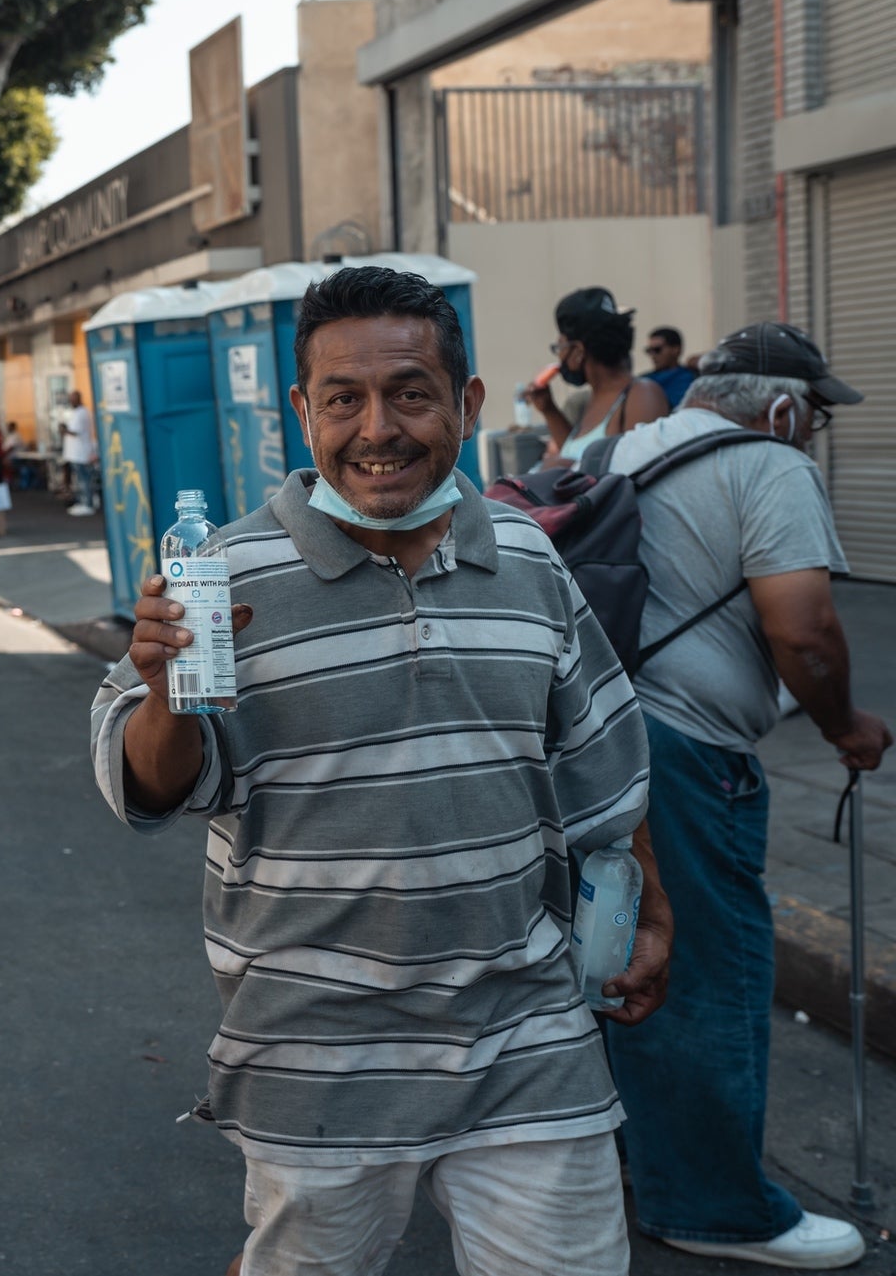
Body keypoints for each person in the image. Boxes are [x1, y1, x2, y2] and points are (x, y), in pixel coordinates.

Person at [91, 265, 668, 1276]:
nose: (378, 429)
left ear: (466, 403)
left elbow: (601, 767)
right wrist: (164, 695)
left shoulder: (529, 561)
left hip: (526, 1037)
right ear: (301, 413)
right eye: (344, 400)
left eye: (409, 393)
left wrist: (651, 914)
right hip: (314, 1054)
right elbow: (150, 784)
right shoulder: (216, 579)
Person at [598, 322, 891, 1270]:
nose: (811, 433)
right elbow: (803, 630)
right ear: (777, 406)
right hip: (686, 754)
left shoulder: (630, 445)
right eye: (810, 414)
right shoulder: (769, 465)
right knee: (707, 970)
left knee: (628, 961)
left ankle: (647, 1160)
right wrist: (847, 725)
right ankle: (716, 1205)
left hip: (601, 738)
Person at [525, 287, 668, 466]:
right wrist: (549, 409)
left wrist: (565, 469)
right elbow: (575, 453)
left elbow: (641, 475)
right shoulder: (593, 398)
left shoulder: (642, 395)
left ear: (577, 352)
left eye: (560, 347)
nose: (560, 357)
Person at [642, 325, 697, 410]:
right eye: (649, 350)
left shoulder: (690, 376)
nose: (653, 355)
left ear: (676, 349)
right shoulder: (644, 380)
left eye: (657, 350)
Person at [60, 389, 97, 516]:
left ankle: (87, 504)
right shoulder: (78, 412)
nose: (71, 401)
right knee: (81, 479)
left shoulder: (82, 413)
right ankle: (84, 502)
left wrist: (63, 430)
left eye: (73, 399)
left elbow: (75, 432)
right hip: (76, 453)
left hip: (80, 453)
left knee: (84, 479)